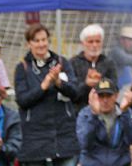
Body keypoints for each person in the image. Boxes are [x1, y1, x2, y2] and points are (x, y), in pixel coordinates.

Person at [14, 24, 83, 166]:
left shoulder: (62, 63)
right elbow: (22, 100)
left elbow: (75, 93)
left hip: (64, 138)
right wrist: (43, 86)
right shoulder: (22, 68)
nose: (41, 44)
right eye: (36, 40)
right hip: (34, 141)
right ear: (29, 44)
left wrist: (59, 83)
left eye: (44, 39)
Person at [76, 79, 132, 166]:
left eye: (109, 95)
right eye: (101, 96)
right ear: (94, 97)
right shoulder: (85, 114)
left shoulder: (124, 112)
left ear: (116, 96)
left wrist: (124, 112)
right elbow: (84, 143)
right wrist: (94, 116)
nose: (105, 100)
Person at [70, 26, 118, 109]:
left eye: (98, 41)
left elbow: (115, 88)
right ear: (83, 43)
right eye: (90, 42)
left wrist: (101, 83)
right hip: (79, 110)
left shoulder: (109, 63)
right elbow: (71, 92)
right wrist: (86, 85)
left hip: (104, 110)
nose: (95, 45)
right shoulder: (73, 63)